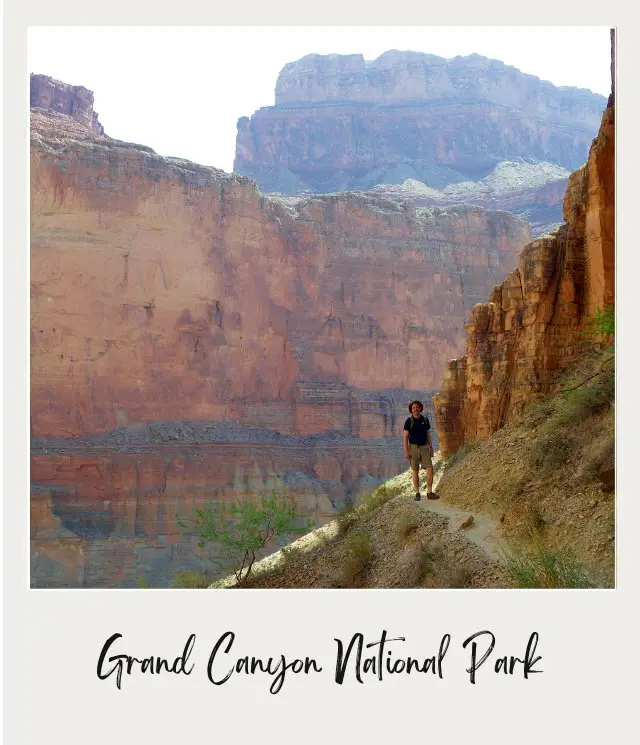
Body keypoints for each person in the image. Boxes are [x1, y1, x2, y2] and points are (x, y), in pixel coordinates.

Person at [403, 400, 439, 501]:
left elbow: (428, 434)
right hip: (413, 448)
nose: (415, 409)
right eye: (413, 408)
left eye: (417, 407)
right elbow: (405, 437)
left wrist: (431, 447)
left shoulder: (425, 420)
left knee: (430, 468)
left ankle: (429, 492)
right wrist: (406, 451)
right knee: (415, 471)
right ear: (411, 410)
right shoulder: (408, 421)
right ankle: (417, 493)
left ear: (420, 408)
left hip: (424, 447)